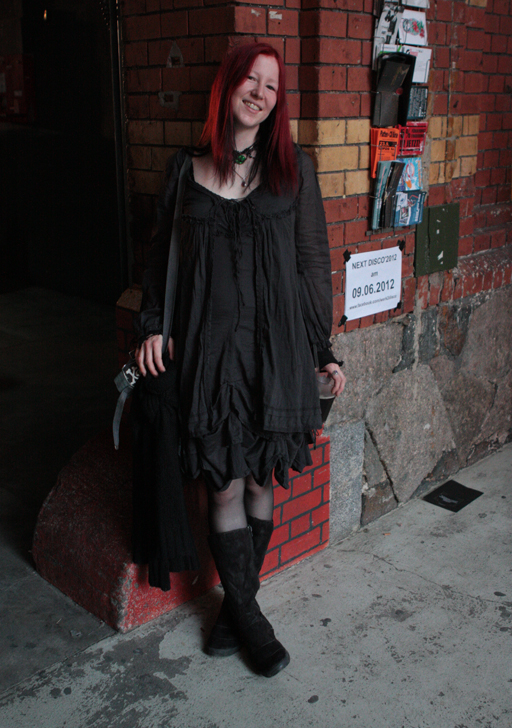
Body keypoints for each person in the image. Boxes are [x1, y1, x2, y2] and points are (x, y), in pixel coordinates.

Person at [135, 42, 346, 678]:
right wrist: (152, 326)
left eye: (271, 86)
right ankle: (253, 620)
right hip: (209, 355)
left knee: (259, 479)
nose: (259, 92)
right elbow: (159, 260)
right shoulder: (185, 170)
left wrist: (323, 350)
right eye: (250, 80)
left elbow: (312, 267)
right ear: (227, 87)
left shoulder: (294, 170)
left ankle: (236, 612)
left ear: (278, 102)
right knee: (222, 481)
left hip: (275, 355)